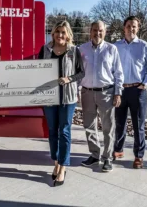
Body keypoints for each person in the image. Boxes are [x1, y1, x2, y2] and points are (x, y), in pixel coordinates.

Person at [38, 20, 85, 187]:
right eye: (57, 32)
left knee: (64, 130)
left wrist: (69, 79)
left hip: (68, 96)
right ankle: (56, 161)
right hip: (49, 97)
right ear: (53, 33)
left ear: (68, 34)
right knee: (52, 130)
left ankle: (63, 166)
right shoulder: (45, 49)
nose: (60, 35)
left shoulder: (74, 51)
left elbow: (81, 73)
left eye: (63, 32)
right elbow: (36, 70)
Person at [79, 20, 124, 172]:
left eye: (100, 30)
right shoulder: (82, 49)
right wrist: (78, 90)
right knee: (89, 126)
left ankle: (107, 158)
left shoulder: (112, 49)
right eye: (94, 30)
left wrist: (118, 93)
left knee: (108, 128)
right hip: (87, 92)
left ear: (105, 32)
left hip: (106, 93)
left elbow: (118, 73)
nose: (97, 33)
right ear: (89, 31)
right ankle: (94, 154)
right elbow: (79, 72)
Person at [114, 16, 147, 169]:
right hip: (120, 90)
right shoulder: (116, 46)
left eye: (134, 26)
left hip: (138, 90)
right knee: (119, 122)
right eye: (128, 26)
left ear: (138, 28)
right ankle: (118, 149)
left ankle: (139, 156)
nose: (131, 29)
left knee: (138, 125)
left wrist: (144, 84)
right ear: (124, 28)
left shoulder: (145, 47)